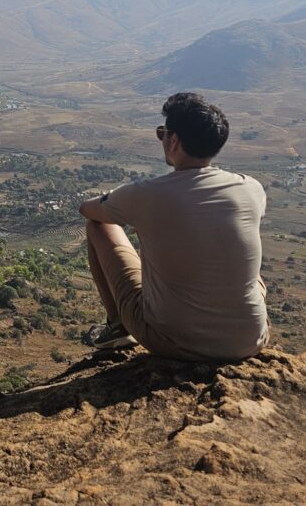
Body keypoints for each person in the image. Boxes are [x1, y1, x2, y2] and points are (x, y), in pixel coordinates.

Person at [78, 92, 268, 361]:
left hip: (174, 342)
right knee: (243, 268)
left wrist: (127, 207)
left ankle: (117, 327)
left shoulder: (147, 194)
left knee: (98, 226)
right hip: (249, 341)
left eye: (162, 133)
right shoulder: (251, 188)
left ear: (174, 141)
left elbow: (88, 209)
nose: (162, 139)